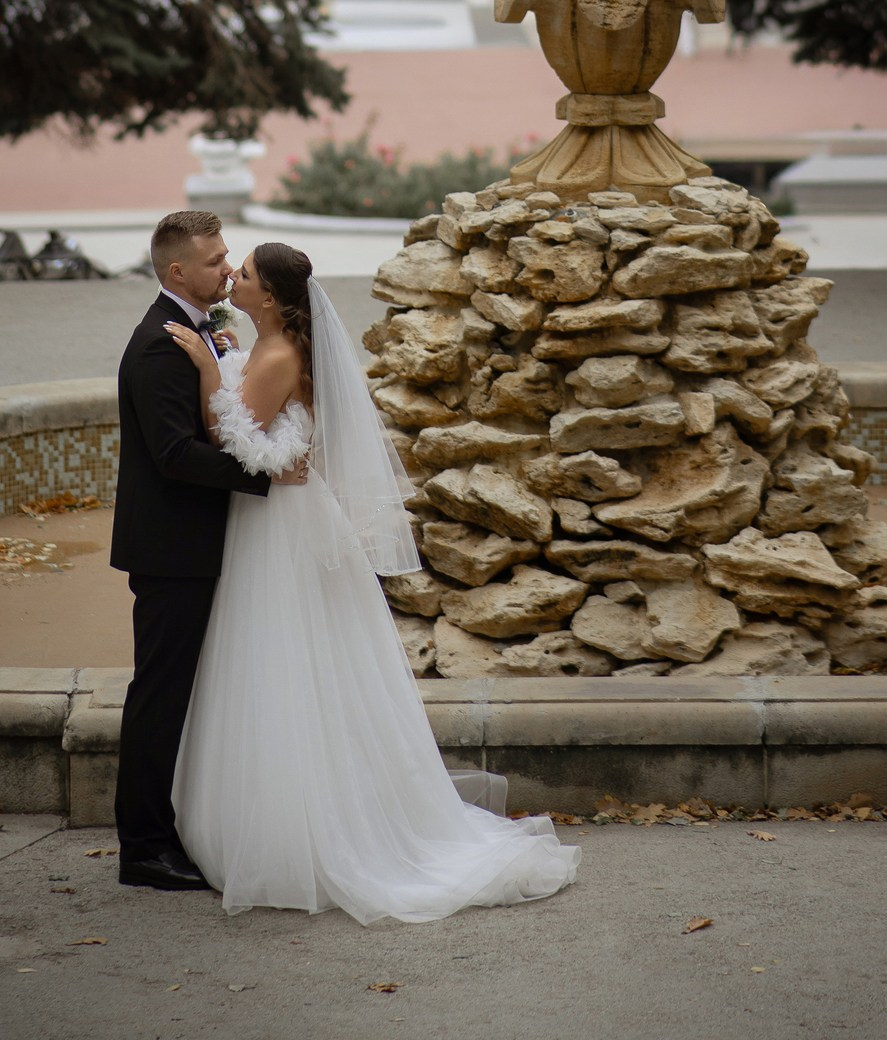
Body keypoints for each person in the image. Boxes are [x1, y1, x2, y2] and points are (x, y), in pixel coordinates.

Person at [163, 238, 579, 920]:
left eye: (242, 274)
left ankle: (292, 832)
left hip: (276, 530)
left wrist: (209, 374)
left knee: (279, 659)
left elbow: (237, 444)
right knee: (311, 661)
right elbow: (272, 422)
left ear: (268, 296)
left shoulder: (275, 354)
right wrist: (226, 357)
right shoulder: (272, 347)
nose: (232, 278)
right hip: (293, 518)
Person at [110, 209, 304, 892]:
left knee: (172, 694)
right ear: (177, 273)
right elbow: (173, 455)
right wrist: (264, 472)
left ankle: (165, 832)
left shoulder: (199, 331)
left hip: (191, 544)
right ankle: (143, 848)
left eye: (231, 258)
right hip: (170, 549)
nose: (227, 267)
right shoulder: (161, 345)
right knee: (158, 697)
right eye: (217, 260)